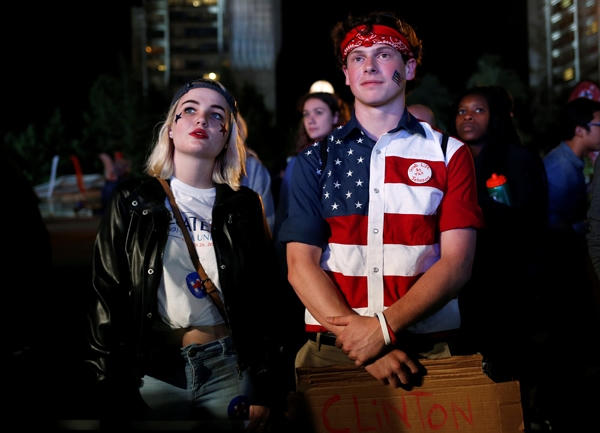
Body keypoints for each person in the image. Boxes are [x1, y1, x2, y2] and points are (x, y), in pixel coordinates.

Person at [278, 10, 483, 388]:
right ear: (346, 74)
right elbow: (299, 265)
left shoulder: (448, 153)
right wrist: (363, 342)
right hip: (332, 351)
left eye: (384, 54)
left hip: (428, 350)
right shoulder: (315, 159)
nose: (369, 65)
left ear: (409, 67)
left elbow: (457, 263)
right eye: (357, 57)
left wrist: (382, 330)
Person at [85, 78, 281, 431]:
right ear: (171, 129)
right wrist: (107, 380)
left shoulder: (244, 206)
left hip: (228, 369)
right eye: (189, 110)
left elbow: (264, 297)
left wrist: (265, 383)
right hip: (151, 373)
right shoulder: (132, 200)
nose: (201, 119)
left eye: (216, 115)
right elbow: (105, 294)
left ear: (226, 137)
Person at [451, 86, 548, 384]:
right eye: (462, 111)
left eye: (478, 110)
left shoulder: (517, 158)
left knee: (509, 366)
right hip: (463, 282)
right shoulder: (450, 159)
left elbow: (530, 219)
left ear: (494, 117)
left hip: (508, 282)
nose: (468, 117)